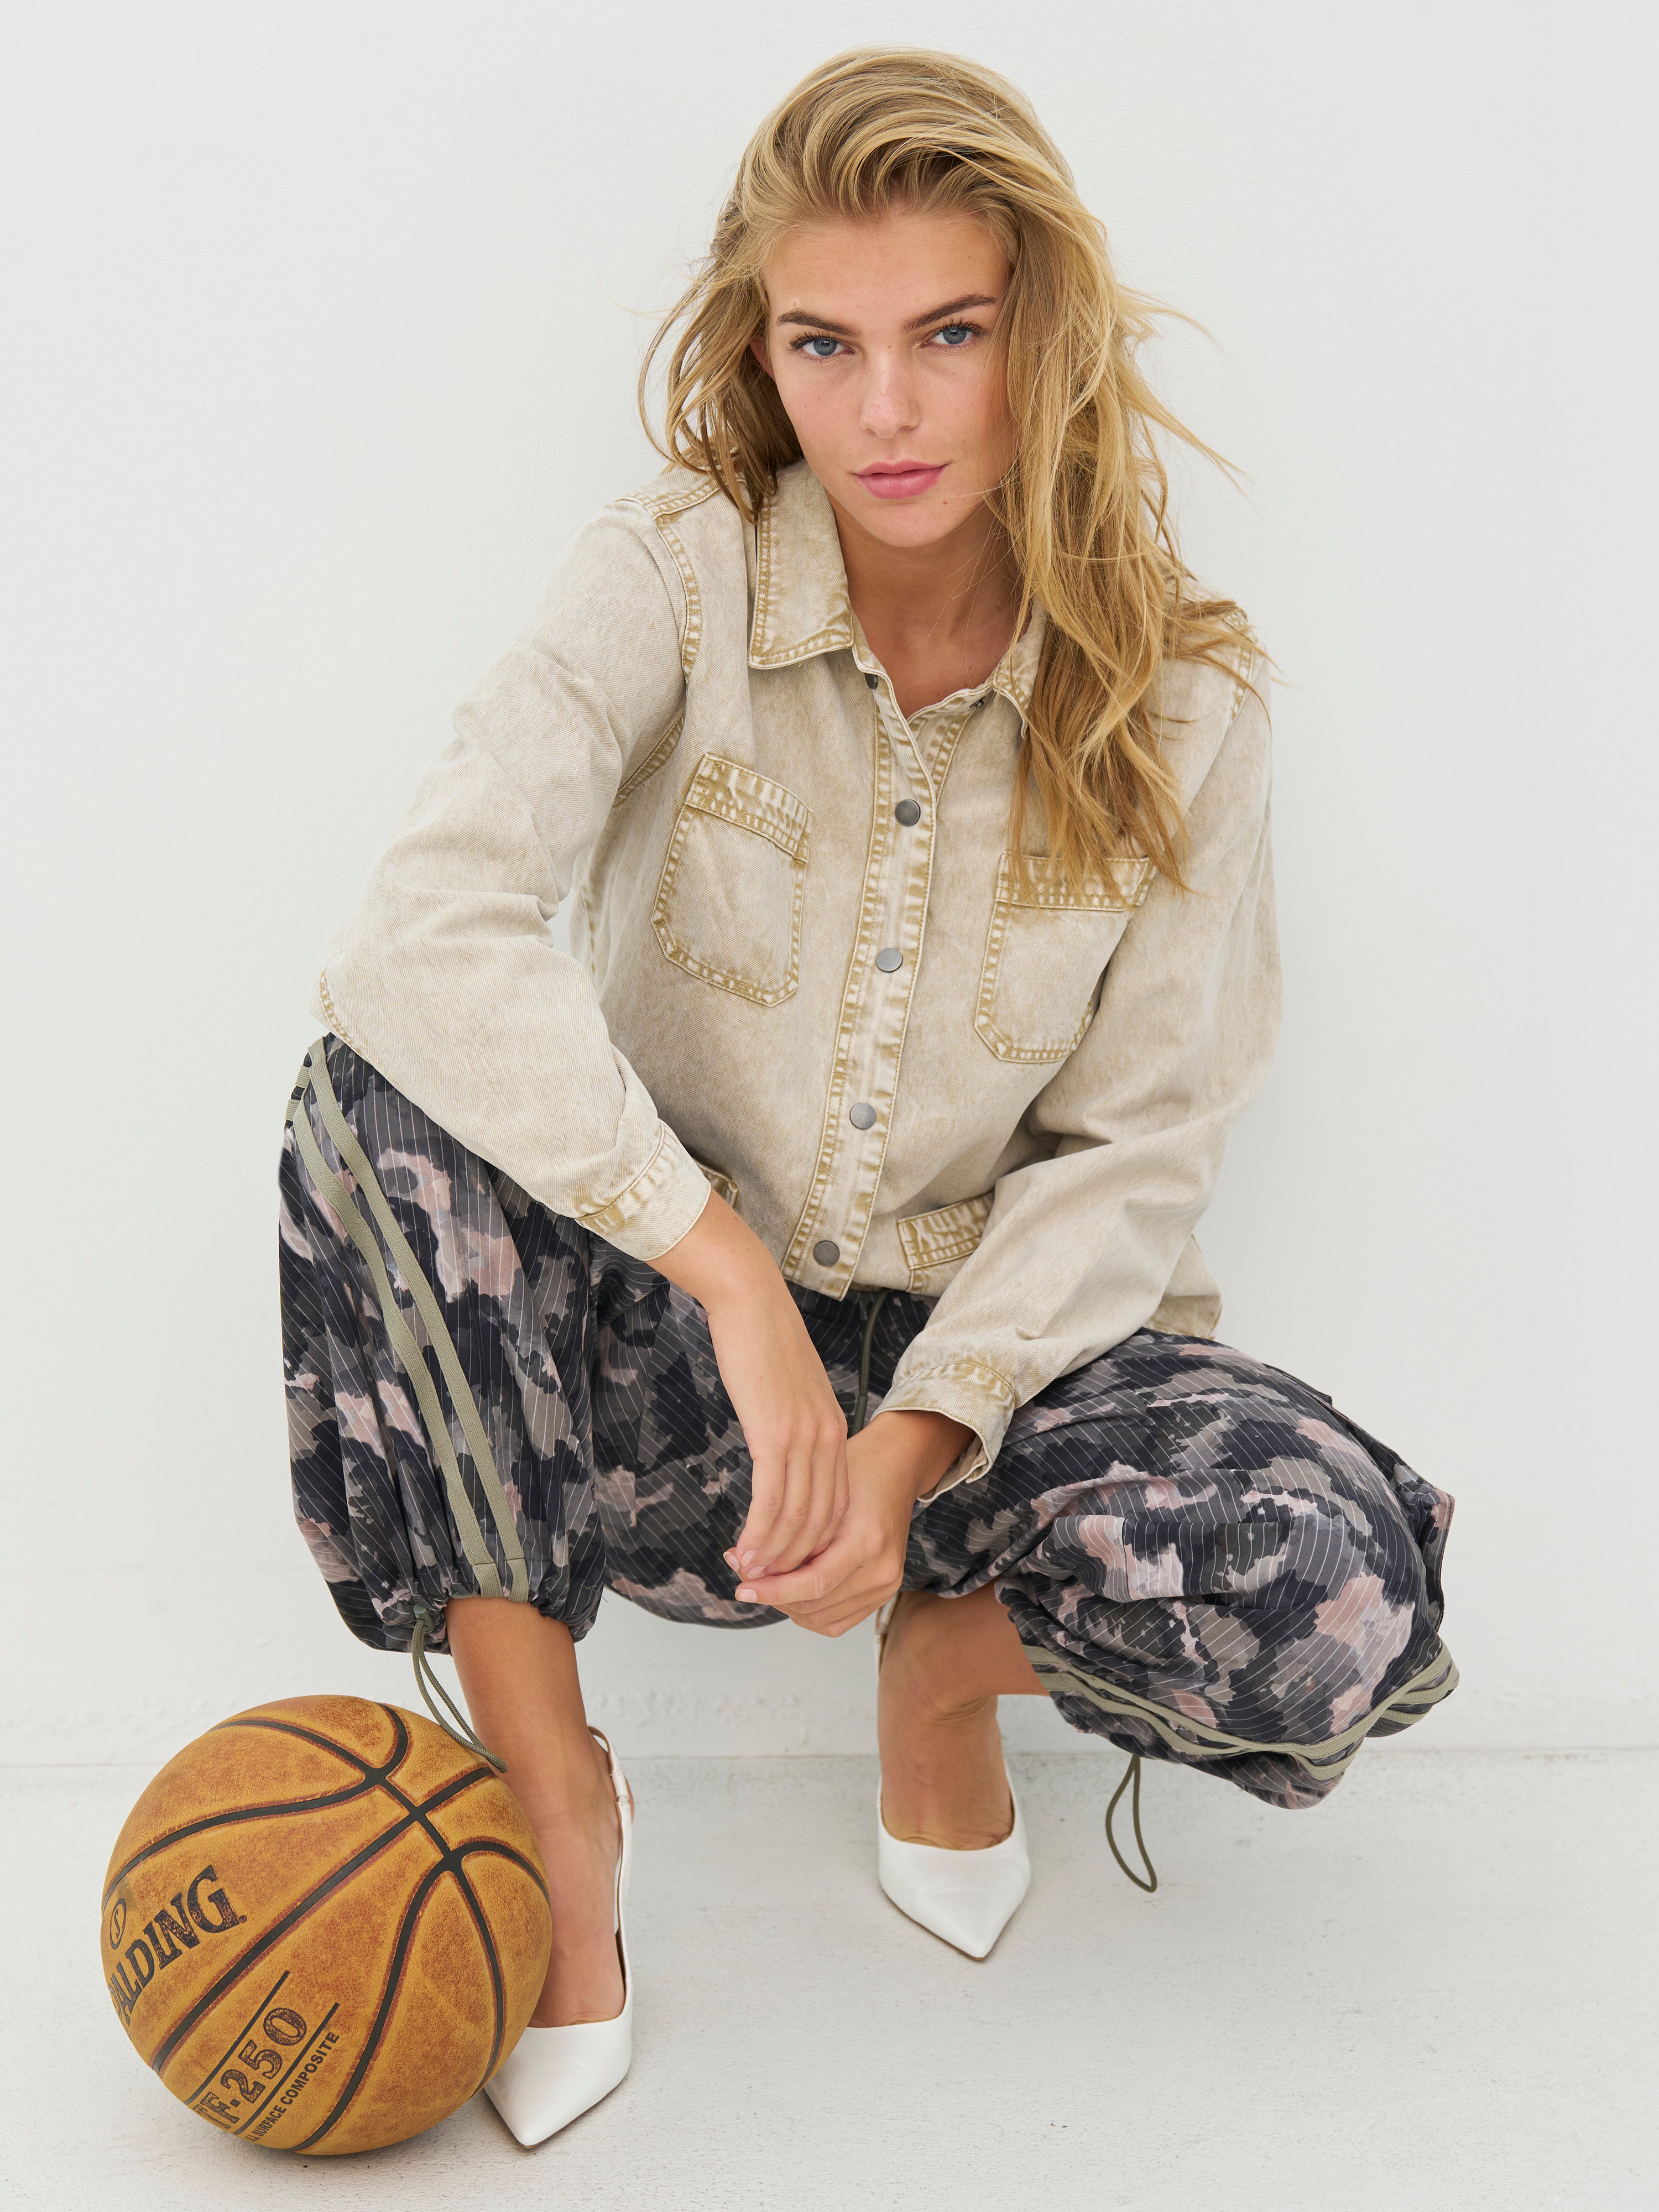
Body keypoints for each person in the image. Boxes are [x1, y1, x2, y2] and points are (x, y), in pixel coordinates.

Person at [278, 46, 1456, 2147]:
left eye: (950, 336)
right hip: (661, 1397)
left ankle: (944, 1667)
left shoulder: (1190, 701)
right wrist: (725, 1274)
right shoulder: (675, 576)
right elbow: (414, 934)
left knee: (1341, 1582)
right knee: (375, 1100)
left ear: (1041, 338)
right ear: (763, 347)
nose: (887, 411)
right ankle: (556, 1811)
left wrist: (916, 1450)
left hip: (973, 1389)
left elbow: (1137, 1156)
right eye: (826, 343)